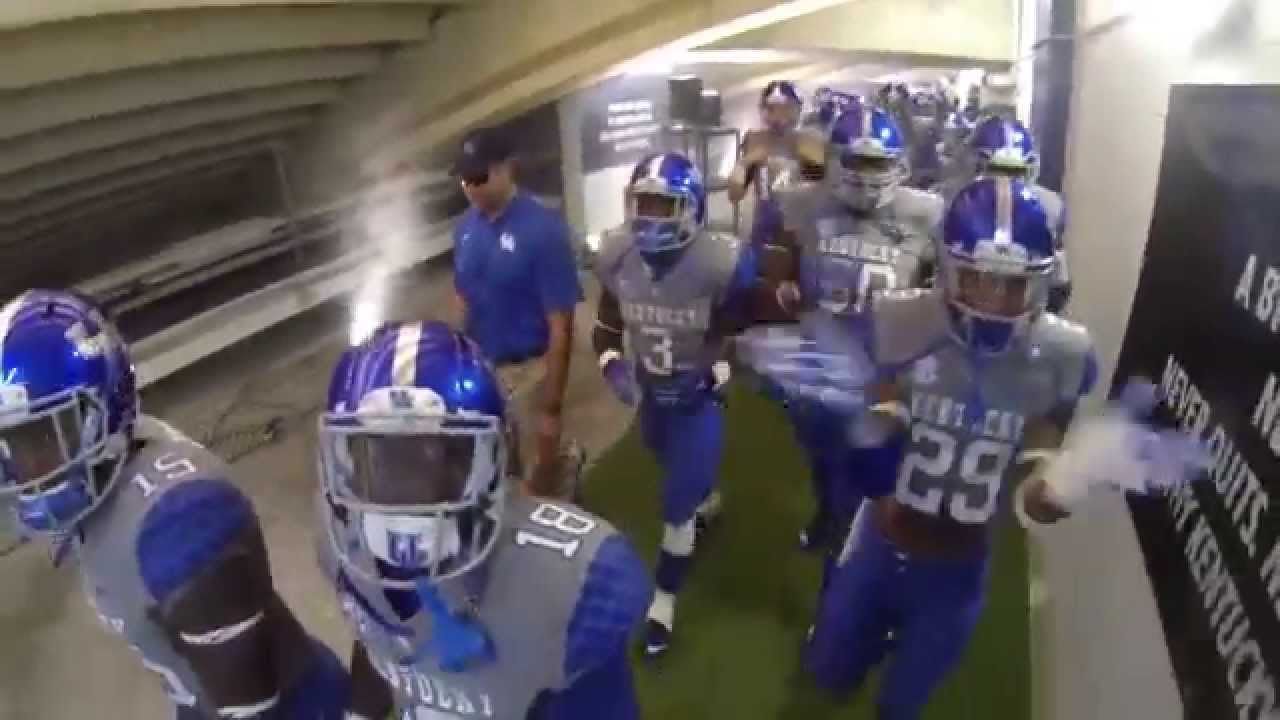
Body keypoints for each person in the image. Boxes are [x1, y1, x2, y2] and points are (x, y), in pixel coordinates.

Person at [799, 177, 1206, 719]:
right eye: (978, 278)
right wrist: (877, 422)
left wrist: (1057, 484)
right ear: (947, 268)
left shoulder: (1061, 353)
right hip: (881, 537)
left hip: (957, 565)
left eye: (1011, 284)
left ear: (1041, 281)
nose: (993, 298)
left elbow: (1041, 449)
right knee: (829, 673)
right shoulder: (903, 318)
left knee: (900, 706)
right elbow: (884, 397)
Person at [0, 289, 348, 719]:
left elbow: (251, 711)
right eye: (9, 446)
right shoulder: (116, 468)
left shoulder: (181, 529)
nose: (22, 468)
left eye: (42, 438)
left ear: (102, 411)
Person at [315, 321, 652, 720]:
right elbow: (375, 630)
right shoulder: (346, 553)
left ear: (495, 458)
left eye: (438, 455)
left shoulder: (574, 582)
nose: (404, 486)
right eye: (379, 457)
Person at [760, 105, 943, 562]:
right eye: (857, 162)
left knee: (872, 474)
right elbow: (775, 255)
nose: (866, 175)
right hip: (822, 358)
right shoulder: (803, 201)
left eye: (878, 163)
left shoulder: (925, 213)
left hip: (884, 369)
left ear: (898, 164)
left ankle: (852, 566)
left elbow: (942, 288)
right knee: (823, 457)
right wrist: (782, 284)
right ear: (836, 160)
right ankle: (829, 516)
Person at [593, 152, 757, 657]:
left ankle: (663, 600)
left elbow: (743, 334)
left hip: (695, 399)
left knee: (675, 503)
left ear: (690, 210)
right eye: (642, 203)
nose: (648, 217)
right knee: (670, 467)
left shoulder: (722, 262)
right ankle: (704, 501)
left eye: (663, 206)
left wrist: (714, 375)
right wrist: (612, 366)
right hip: (652, 397)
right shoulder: (617, 254)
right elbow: (605, 328)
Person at [451, 126, 584, 499]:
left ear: (507, 169)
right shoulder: (465, 229)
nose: (471, 188)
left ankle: (566, 471)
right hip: (485, 371)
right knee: (498, 476)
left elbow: (562, 324)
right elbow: (462, 293)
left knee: (538, 490)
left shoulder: (543, 230)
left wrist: (551, 408)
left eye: (479, 177)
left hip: (530, 371)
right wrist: (456, 353)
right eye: (465, 179)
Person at [937, 116, 1072, 311]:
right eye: (996, 169)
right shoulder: (950, 199)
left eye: (1014, 172)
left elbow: (1057, 285)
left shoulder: (1050, 207)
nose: (1004, 180)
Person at [727, 80, 825, 269]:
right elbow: (734, 195)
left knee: (810, 285)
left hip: (801, 236)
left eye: (786, 109)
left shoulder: (811, 141)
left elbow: (819, 194)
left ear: (797, 110)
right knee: (740, 283)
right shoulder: (755, 140)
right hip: (764, 232)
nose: (779, 117)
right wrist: (744, 163)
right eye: (773, 109)